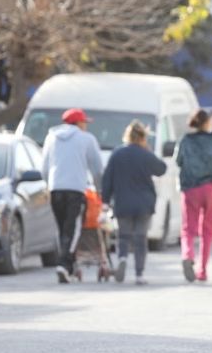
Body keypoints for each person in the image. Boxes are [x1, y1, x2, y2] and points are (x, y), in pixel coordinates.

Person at [41, 108, 103, 284]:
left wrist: (48, 184)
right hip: (75, 189)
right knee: (73, 228)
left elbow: (44, 168)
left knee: (62, 229)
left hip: (55, 188)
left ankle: (69, 264)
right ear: (79, 123)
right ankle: (64, 264)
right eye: (85, 122)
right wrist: (99, 189)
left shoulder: (51, 138)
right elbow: (97, 168)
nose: (86, 126)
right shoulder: (86, 139)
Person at [101, 120, 167, 285]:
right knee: (140, 238)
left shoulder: (117, 154)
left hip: (122, 202)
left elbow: (107, 179)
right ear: (143, 137)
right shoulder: (145, 154)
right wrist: (149, 151)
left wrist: (105, 201)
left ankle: (122, 258)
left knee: (123, 236)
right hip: (144, 203)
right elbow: (161, 169)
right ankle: (139, 274)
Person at [175, 109, 212, 282]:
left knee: (188, 228)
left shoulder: (185, 140)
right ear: (206, 122)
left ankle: (188, 255)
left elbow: (178, 161)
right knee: (207, 230)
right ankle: (202, 270)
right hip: (210, 188)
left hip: (190, 188)